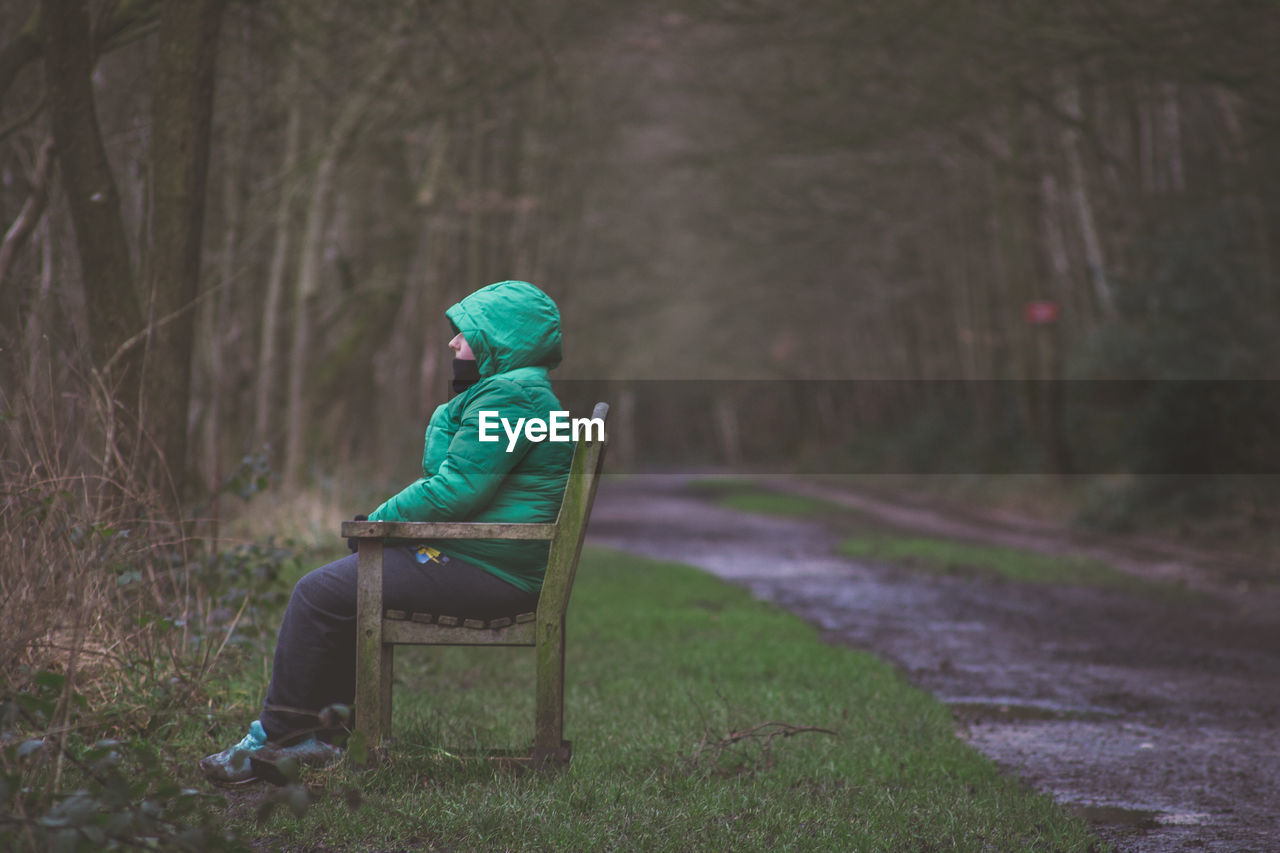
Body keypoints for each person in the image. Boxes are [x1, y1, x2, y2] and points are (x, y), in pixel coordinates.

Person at [200, 280, 573, 785]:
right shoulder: (522, 393)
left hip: (490, 568)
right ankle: (314, 738)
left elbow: (454, 492)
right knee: (339, 592)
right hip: (495, 560)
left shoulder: (509, 398)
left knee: (316, 593)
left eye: (464, 333)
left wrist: (375, 524)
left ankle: (282, 738)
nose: (452, 343)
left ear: (499, 340)